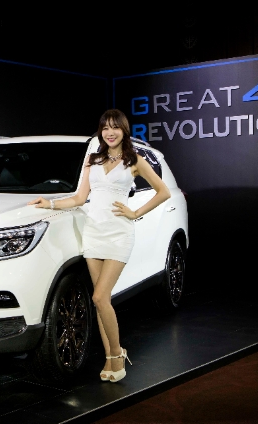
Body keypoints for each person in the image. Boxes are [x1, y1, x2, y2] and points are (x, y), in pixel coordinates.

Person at [28, 109, 171, 382]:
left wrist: (135, 213)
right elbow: (79, 198)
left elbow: (162, 191)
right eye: (105, 127)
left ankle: (118, 354)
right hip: (94, 233)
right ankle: (109, 359)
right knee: (101, 302)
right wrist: (50, 203)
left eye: (115, 127)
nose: (109, 132)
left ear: (124, 131)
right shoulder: (92, 160)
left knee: (99, 297)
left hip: (119, 234)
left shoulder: (134, 160)